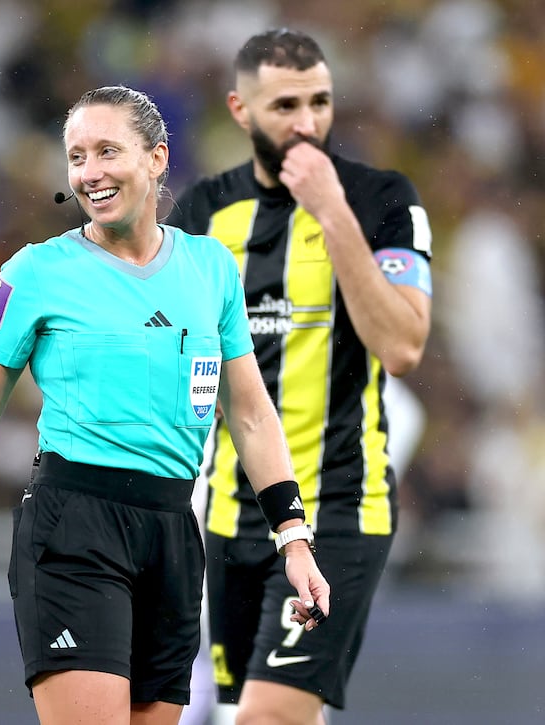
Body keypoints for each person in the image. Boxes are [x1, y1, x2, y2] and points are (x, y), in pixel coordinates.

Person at [0, 85, 331, 725]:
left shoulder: (211, 268)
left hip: (174, 534)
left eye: (107, 151)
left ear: (157, 158)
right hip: (75, 528)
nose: (89, 172)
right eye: (76, 157)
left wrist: (294, 539)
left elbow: (252, 415)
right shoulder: (36, 272)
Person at [166, 29, 433, 725]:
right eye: (286, 105)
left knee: (266, 715)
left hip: (340, 508)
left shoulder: (381, 199)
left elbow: (403, 345)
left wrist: (332, 212)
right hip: (231, 515)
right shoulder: (203, 213)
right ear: (241, 109)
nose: (308, 121)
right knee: (258, 715)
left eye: (320, 101)